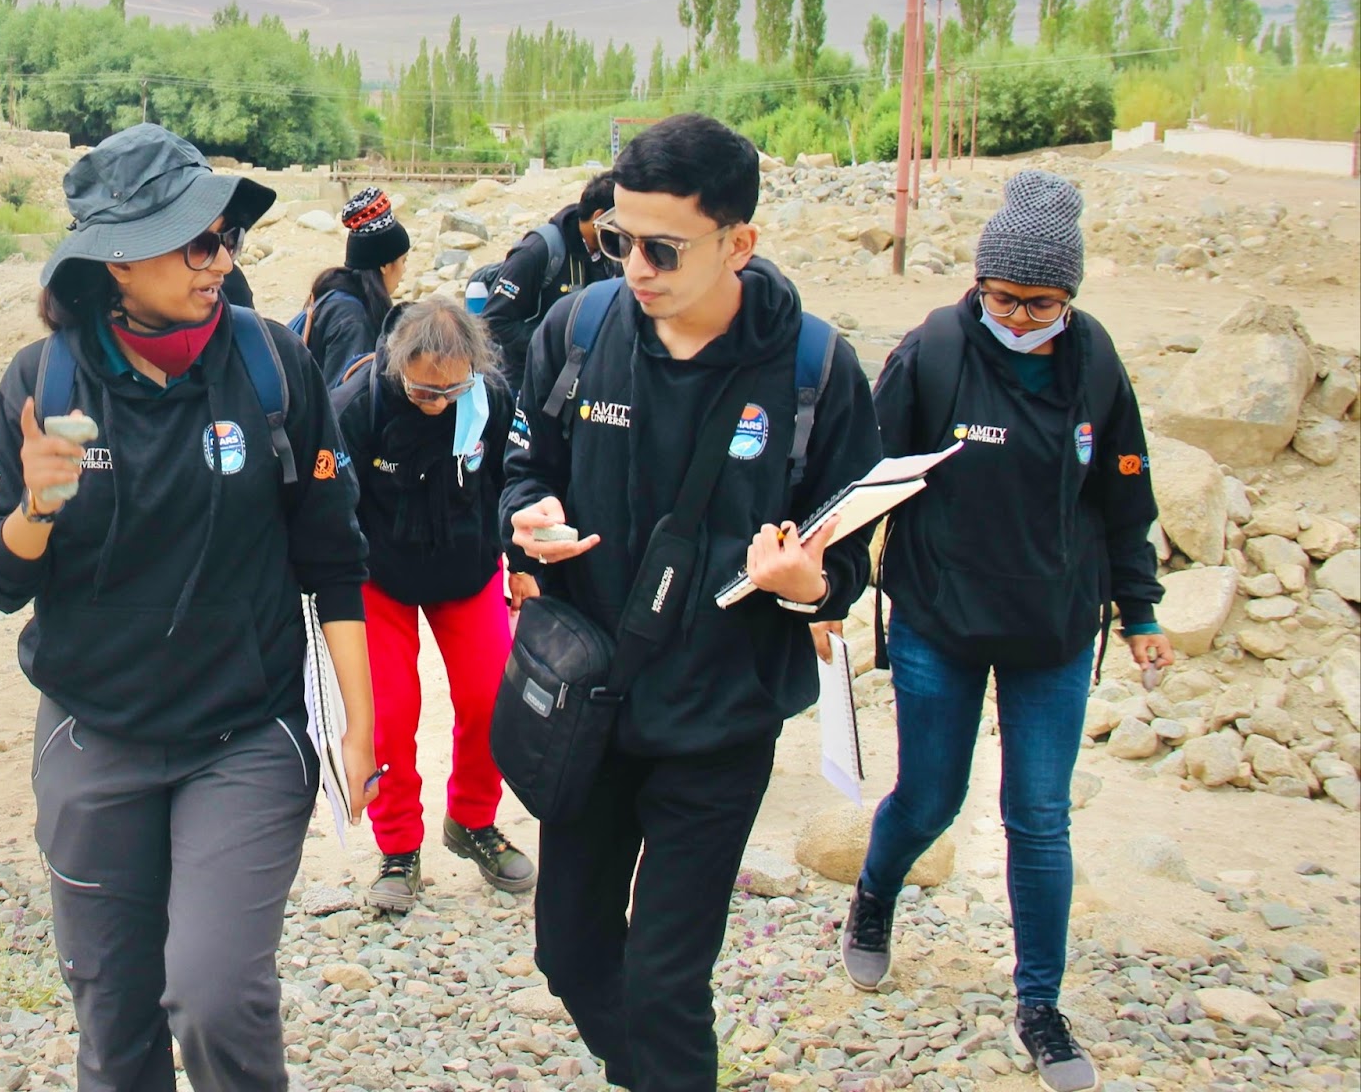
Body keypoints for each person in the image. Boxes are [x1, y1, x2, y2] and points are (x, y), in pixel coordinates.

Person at [0, 123, 378, 1092]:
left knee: (215, 991)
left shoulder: (272, 366)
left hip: (246, 731)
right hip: (93, 734)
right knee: (113, 1015)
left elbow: (332, 554)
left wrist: (363, 720)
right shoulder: (42, 381)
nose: (217, 257)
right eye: (193, 240)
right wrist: (34, 510)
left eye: (223, 235)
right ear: (113, 262)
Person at [500, 112, 882, 1092]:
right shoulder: (575, 334)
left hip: (719, 721)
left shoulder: (813, 372)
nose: (634, 264)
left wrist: (811, 585)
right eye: (617, 240)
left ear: (737, 243)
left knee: (667, 983)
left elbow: (852, 554)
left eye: (662, 247)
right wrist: (525, 515)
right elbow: (517, 467)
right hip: (590, 708)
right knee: (571, 954)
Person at [839, 168, 1171, 1092]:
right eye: (1005, 298)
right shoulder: (935, 351)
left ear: (1070, 298)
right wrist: (827, 595)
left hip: (1054, 628)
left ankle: (1039, 1005)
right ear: (978, 286)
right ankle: (874, 895)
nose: (1021, 318)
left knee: (1038, 818)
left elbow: (1123, 497)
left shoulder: (1096, 363)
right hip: (940, 621)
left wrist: (1138, 609)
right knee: (932, 798)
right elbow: (867, 482)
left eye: (1042, 303)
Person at [335, 298, 536, 912]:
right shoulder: (355, 406)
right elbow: (329, 508)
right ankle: (398, 848)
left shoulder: (494, 399)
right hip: (379, 573)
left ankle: (473, 822)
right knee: (390, 714)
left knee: (491, 696)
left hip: (468, 567)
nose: (440, 402)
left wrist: (521, 567)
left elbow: (518, 481)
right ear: (399, 365)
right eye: (424, 390)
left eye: (454, 390)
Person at [481, 170, 618, 388]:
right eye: (622, 221)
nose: (629, 229)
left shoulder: (612, 253)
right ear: (599, 217)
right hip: (529, 382)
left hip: (584, 381)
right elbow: (493, 322)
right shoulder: (537, 252)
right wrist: (554, 342)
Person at [301, 186, 411, 384]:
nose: (404, 271)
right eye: (403, 261)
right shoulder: (353, 319)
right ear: (385, 265)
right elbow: (341, 400)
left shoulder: (334, 292)